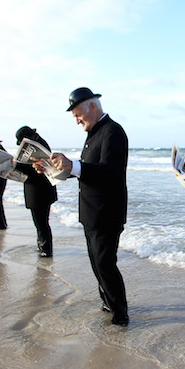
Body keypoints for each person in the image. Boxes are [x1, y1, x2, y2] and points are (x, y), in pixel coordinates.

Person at [45, 87, 129, 326]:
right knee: (96, 262)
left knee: (105, 263)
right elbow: (86, 170)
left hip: (107, 213)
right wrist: (56, 169)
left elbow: (110, 173)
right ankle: (108, 302)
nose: (76, 120)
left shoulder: (113, 132)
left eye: (77, 114)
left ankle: (120, 314)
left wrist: (73, 165)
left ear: (92, 106)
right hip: (91, 212)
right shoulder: (93, 133)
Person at [14, 126, 57, 257]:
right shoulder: (40, 143)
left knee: (41, 221)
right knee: (40, 221)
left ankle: (45, 248)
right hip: (39, 190)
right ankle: (42, 245)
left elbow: (38, 171)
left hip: (39, 191)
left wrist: (16, 166)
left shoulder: (39, 145)